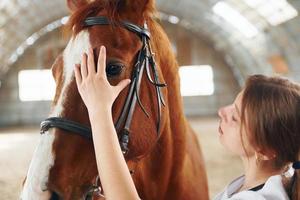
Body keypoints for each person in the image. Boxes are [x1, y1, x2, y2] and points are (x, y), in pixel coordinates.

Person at [74, 45, 300, 200]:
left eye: (236, 116)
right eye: (232, 104)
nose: (222, 112)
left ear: (265, 150)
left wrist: (99, 109)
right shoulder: (256, 185)